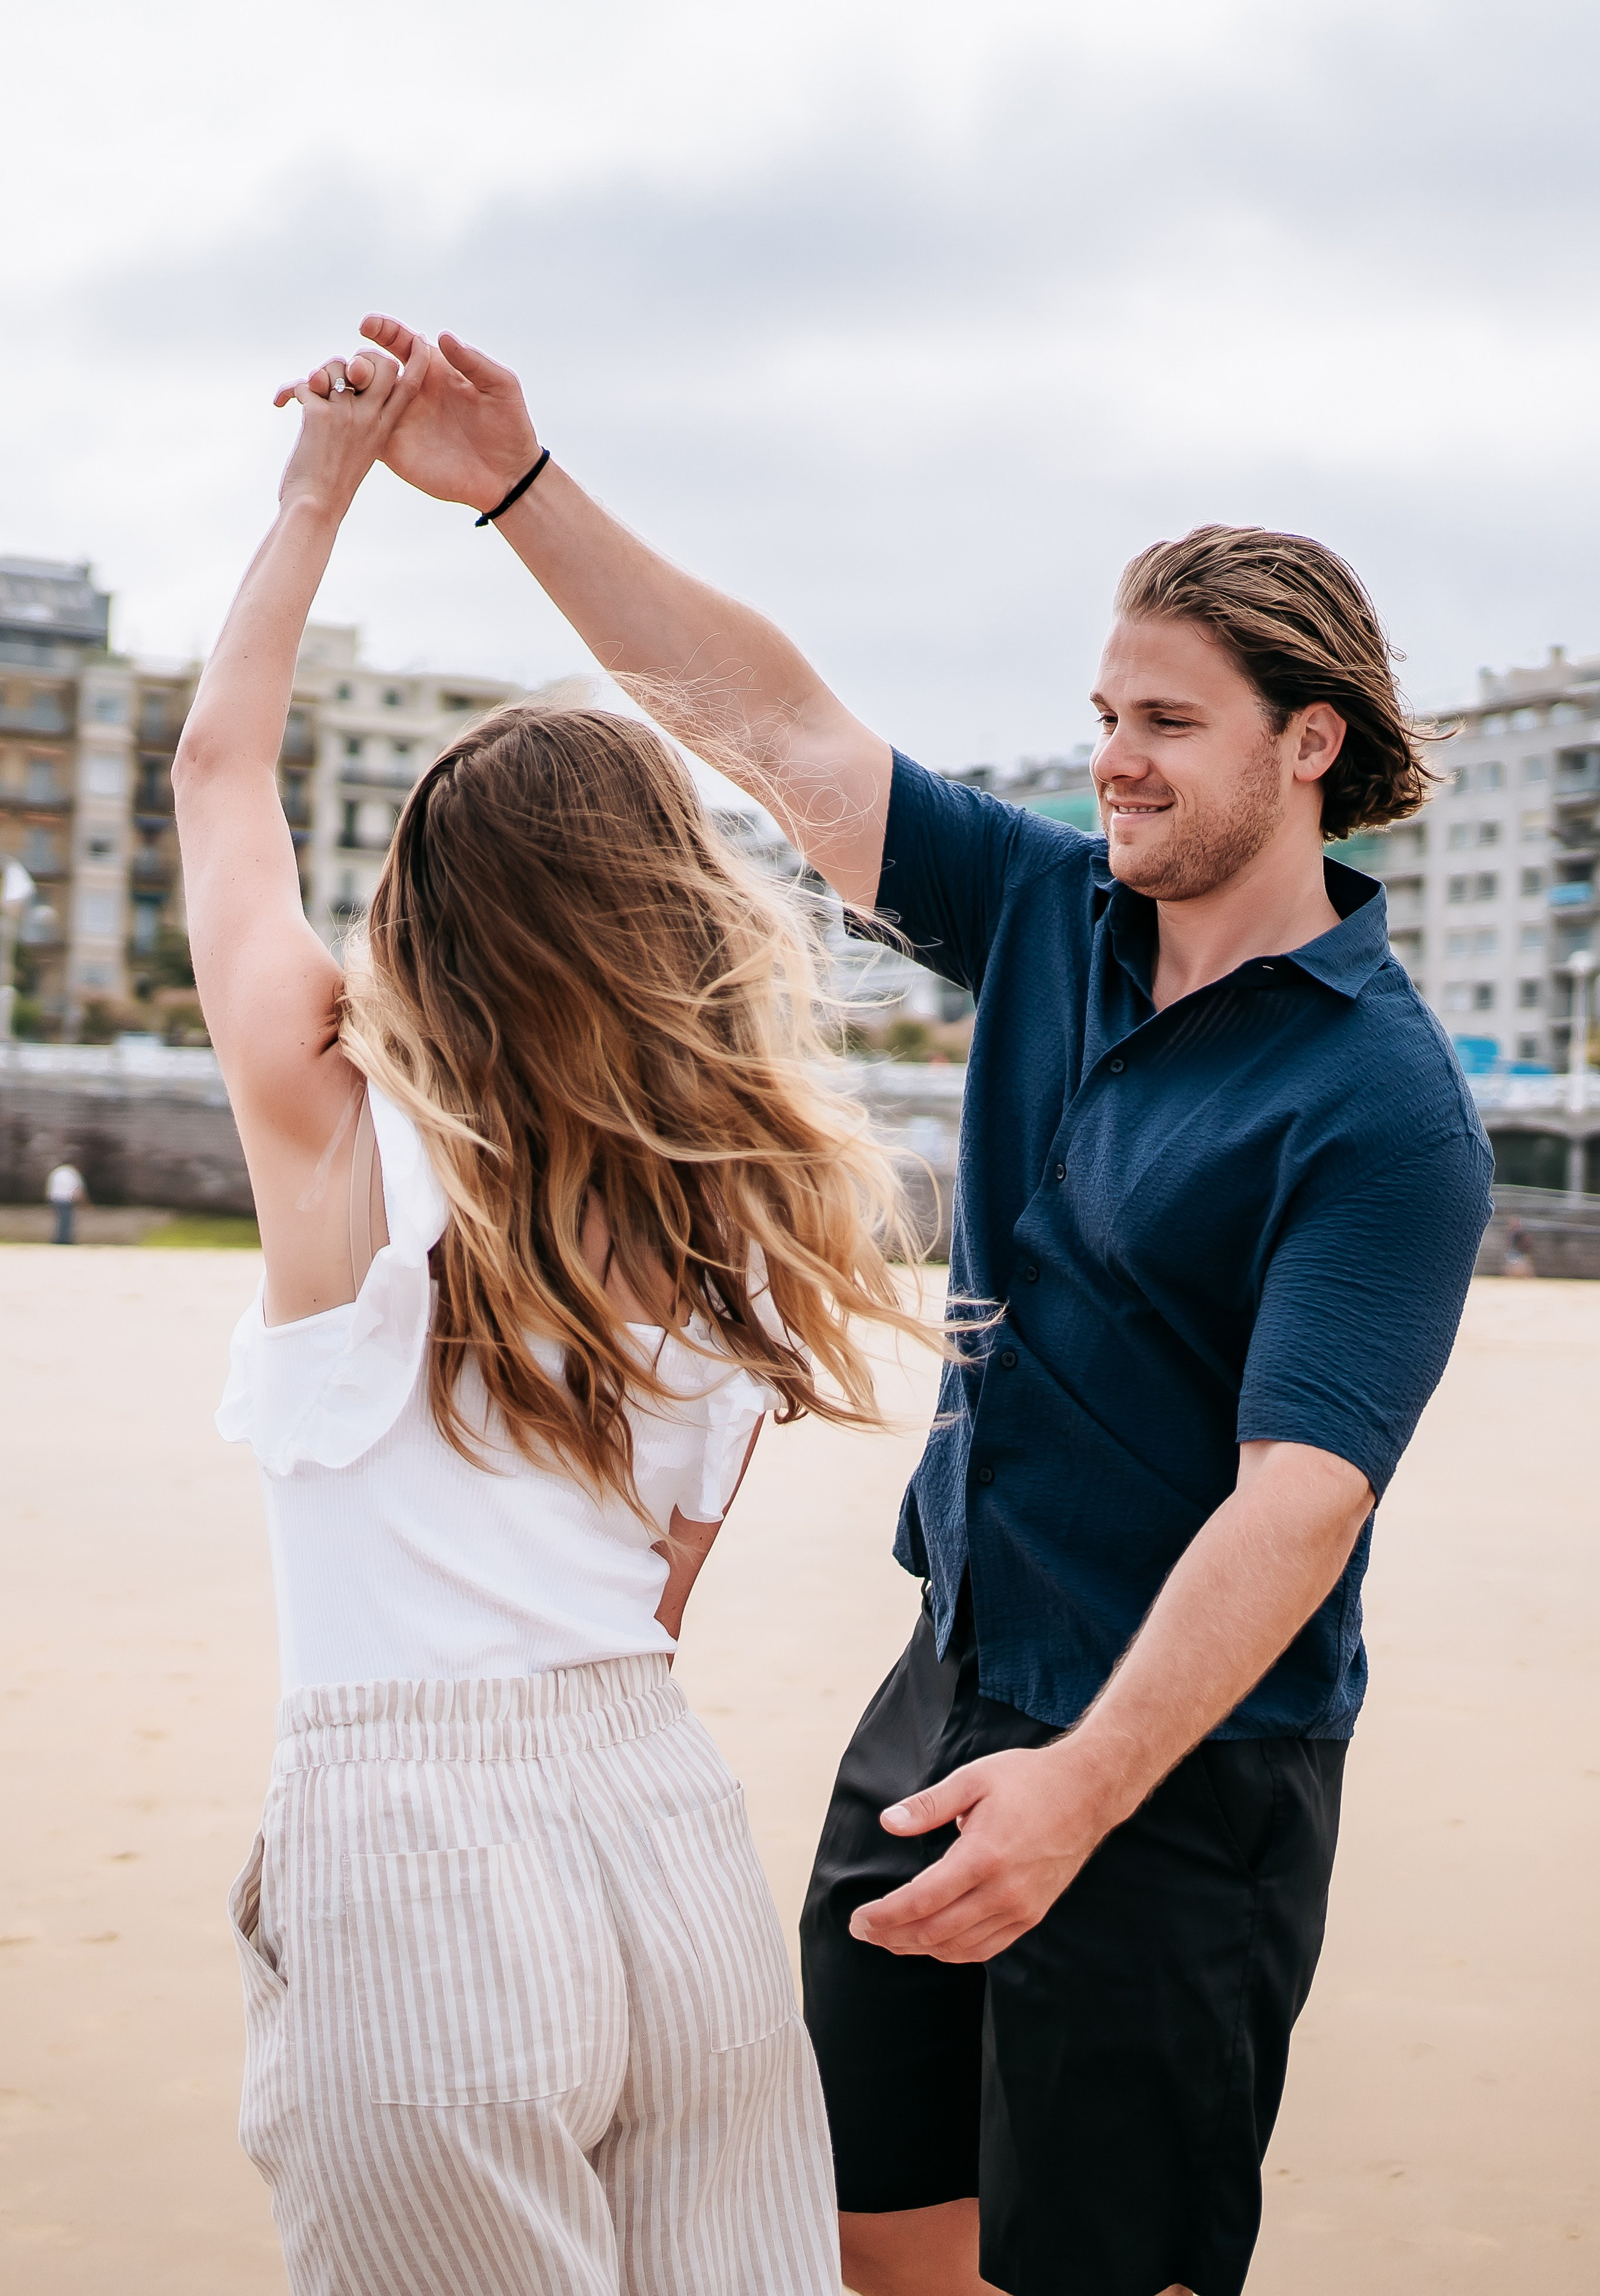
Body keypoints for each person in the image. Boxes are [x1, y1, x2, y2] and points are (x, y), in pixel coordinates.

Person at [354, 311, 1494, 2296]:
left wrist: (1079, 1797)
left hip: (1180, 1771)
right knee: (866, 2225)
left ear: (1309, 743)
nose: (1112, 758)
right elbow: (777, 729)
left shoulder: (1382, 1104)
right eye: (1104, 712)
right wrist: (519, 489)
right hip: (949, 1684)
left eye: (1167, 720)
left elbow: (1303, 1502)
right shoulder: (1054, 913)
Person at [175, 337, 932, 2296]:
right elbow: (655, 1606)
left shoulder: (342, 1145)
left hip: (416, 1856)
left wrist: (318, 493)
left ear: (424, 916)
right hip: (665, 1834)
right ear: (678, 915)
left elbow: (218, 776)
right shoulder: (734, 1232)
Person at [44, 1159, 86, 1245]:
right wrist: (84, 1203)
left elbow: (50, 1186)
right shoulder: (72, 1172)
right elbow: (78, 1189)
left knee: (60, 1220)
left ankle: (58, 1239)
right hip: (66, 1199)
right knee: (67, 1221)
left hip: (55, 1198)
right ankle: (64, 1240)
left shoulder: (56, 1171)